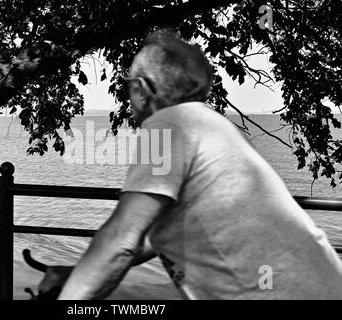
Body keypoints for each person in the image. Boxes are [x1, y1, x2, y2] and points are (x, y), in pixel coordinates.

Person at [38, 30, 342, 299]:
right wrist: (80, 273)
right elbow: (150, 234)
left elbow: (121, 238)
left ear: (142, 88)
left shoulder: (169, 125)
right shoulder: (211, 126)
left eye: (128, 85)